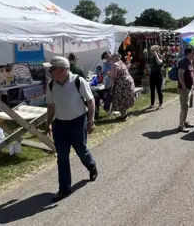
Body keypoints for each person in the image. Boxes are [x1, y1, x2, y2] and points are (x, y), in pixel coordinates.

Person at [43, 56, 97, 202]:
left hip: (78, 122)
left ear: (61, 70)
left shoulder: (78, 81)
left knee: (81, 150)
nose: (49, 71)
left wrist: (91, 120)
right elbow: (51, 106)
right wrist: (48, 123)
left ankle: (92, 166)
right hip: (60, 125)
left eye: (51, 69)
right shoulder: (51, 85)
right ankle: (64, 188)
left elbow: (90, 100)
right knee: (62, 157)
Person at [110, 53, 136, 120]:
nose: (111, 59)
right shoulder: (121, 62)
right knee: (125, 98)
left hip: (122, 83)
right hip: (128, 82)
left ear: (115, 57)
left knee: (121, 98)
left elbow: (113, 76)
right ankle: (124, 114)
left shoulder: (114, 64)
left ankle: (123, 115)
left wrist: (109, 74)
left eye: (112, 57)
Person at [177, 47, 194, 132]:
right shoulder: (184, 62)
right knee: (184, 106)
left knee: (187, 106)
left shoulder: (189, 61)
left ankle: (184, 122)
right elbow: (180, 74)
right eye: (193, 53)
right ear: (188, 53)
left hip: (189, 87)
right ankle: (181, 125)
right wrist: (183, 86)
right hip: (184, 88)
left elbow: (190, 73)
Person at [149, 45, 164, 110]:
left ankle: (160, 104)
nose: (151, 52)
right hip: (152, 74)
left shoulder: (160, 56)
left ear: (156, 51)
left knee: (159, 90)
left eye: (153, 51)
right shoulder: (151, 58)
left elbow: (159, 63)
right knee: (152, 90)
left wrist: (156, 55)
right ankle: (152, 104)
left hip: (158, 74)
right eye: (151, 51)